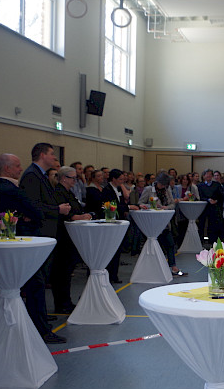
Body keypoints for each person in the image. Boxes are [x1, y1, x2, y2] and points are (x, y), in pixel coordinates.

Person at [20, 143, 70, 344]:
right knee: (37, 283)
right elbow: (33, 205)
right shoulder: (32, 176)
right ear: (42, 155)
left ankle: (41, 323)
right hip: (38, 232)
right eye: (51, 154)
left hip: (44, 233)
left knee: (40, 281)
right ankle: (40, 328)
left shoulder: (40, 175)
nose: (54, 158)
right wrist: (57, 210)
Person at [51, 167, 92, 312]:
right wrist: (78, 217)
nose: (74, 180)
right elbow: (64, 214)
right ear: (63, 178)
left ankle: (66, 301)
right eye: (72, 178)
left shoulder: (68, 192)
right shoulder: (58, 193)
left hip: (70, 236)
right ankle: (62, 303)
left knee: (67, 271)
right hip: (62, 237)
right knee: (61, 271)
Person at [141, 173, 186, 276]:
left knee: (170, 244)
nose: (163, 187)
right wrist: (151, 206)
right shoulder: (149, 189)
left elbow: (172, 204)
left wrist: (166, 208)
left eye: (164, 185)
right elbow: (141, 203)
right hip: (152, 223)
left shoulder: (167, 190)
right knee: (157, 245)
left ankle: (173, 267)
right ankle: (155, 268)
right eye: (161, 184)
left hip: (165, 222)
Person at [102, 169, 139, 283]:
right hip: (111, 221)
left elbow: (122, 202)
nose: (122, 181)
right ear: (113, 179)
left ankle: (114, 275)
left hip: (118, 220)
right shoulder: (107, 190)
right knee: (111, 250)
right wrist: (128, 208)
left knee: (117, 250)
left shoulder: (118, 188)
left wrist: (131, 206)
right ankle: (110, 275)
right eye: (120, 179)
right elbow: (113, 206)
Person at [197, 169, 224, 246]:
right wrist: (208, 200)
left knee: (213, 225)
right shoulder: (200, 186)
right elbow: (199, 196)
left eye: (210, 174)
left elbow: (221, 196)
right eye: (207, 174)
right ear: (203, 176)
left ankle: (212, 241)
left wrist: (216, 201)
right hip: (203, 208)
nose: (208, 176)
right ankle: (201, 240)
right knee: (202, 224)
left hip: (214, 207)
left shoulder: (217, 185)